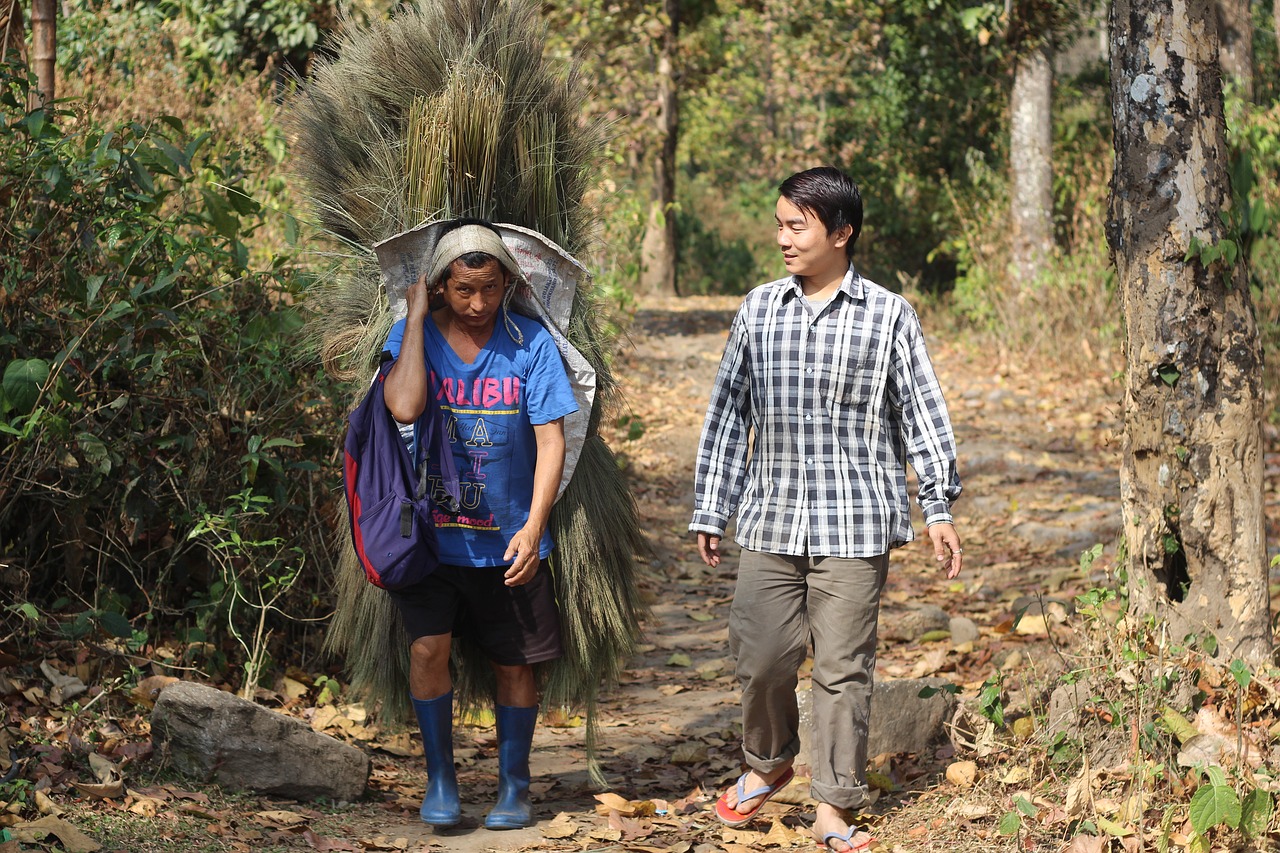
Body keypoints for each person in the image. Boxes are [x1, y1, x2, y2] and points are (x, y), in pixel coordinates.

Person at [689, 167, 963, 853]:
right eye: (779, 224)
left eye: (795, 225)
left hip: (856, 522)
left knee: (842, 668)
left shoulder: (890, 315)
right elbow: (729, 411)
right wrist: (711, 505)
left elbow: (922, 414)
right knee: (761, 656)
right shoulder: (759, 309)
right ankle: (770, 760)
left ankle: (835, 805)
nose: (781, 238)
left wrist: (938, 506)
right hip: (770, 517)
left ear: (840, 233)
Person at [382, 219, 579, 831]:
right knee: (426, 648)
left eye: (489, 289)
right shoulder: (409, 336)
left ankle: (513, 787)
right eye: (463, 290)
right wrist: (414, 320)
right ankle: (441, 779)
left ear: (507, 284)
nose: (477, 304)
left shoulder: (530, 345)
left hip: (508, 542)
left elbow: (553, 442)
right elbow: (404, 406)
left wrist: (534, 526)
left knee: (515, 664)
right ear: (440, 285)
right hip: (429, 539)